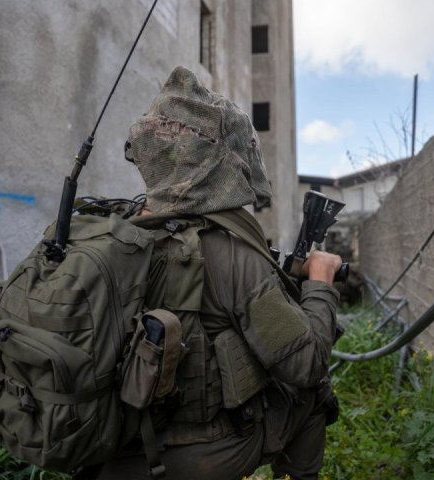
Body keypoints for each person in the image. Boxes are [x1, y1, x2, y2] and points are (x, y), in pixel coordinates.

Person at [92, 66, 343, 480]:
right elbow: (305, 363)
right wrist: (319, 282)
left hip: (108, 449)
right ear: (221, 161)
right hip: (191, 456)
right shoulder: (229, 252)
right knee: (313, 394)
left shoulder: (114, 230)